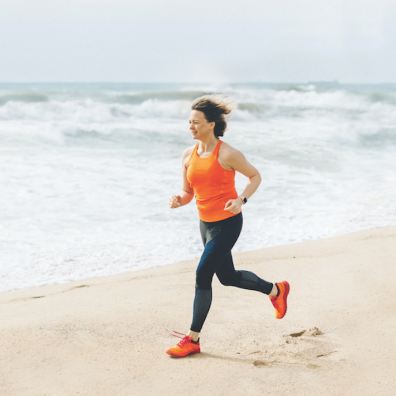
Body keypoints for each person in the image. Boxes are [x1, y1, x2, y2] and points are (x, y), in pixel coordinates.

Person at [166, 95, 290, 358]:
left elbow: (255, 176)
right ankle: (276, 290)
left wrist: (241, 200)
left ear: (211, 124)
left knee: (202, 275)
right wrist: (180, 201)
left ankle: (193, 339)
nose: (190, 126)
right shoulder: (188, 155)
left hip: (228, 224)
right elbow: (188, 193)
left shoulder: (229, 154)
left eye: (196, 122)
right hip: (205, 224)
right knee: (228, 277)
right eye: (189, 122)